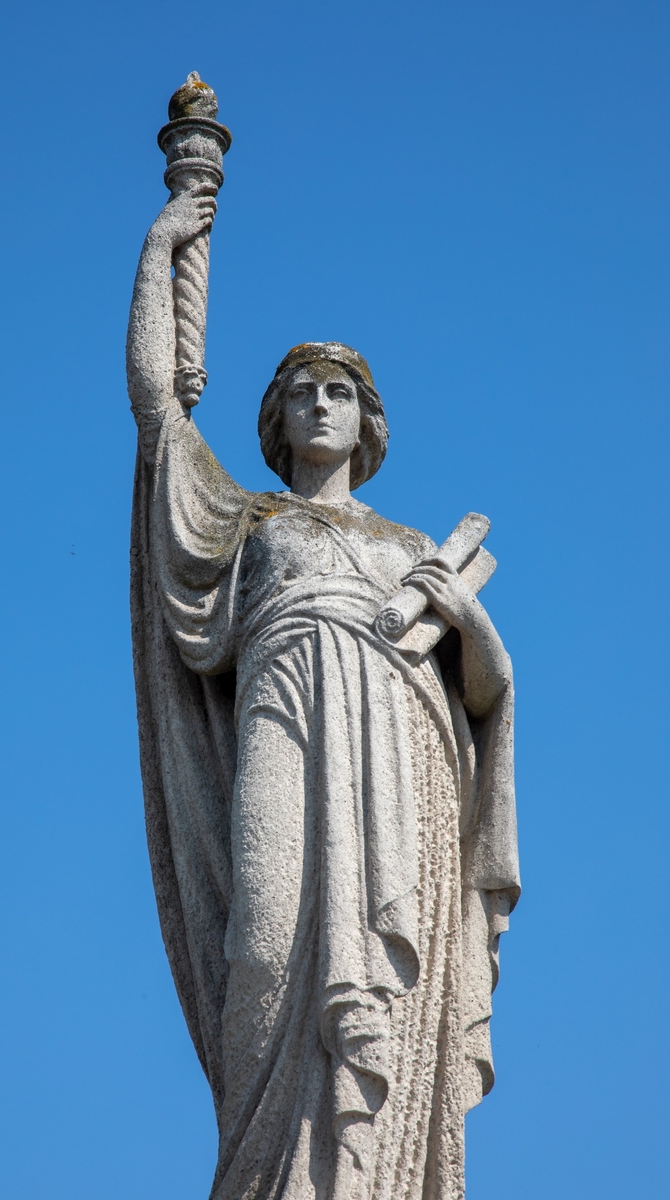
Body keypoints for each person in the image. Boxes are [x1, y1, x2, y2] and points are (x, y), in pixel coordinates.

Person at [126, 184, 519, 1200]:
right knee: (261, 943)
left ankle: (364, 1174)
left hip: (400, 758)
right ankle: (263, 1172)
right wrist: (163, 249)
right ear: (275, 417)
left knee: (385, 981)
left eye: (337, 392)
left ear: (366, 418)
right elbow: (159, 414)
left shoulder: (407, 548)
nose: (319, 404)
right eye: (301, 391)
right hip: (283, 717)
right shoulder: (248, 525)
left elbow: (484, 691)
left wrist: (462, 615)